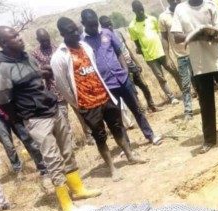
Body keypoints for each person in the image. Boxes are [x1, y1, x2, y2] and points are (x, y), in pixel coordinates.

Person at [0, 26, 101, 211]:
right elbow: (4, 101)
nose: (20, 38)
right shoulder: (2, 69)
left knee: (67, 150)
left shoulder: (27, 57)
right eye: (14, 37)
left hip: (52, 109)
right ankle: (66, 202)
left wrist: (45, 73)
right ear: (4, 43)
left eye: (18, 34)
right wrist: (21, 119)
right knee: (52, 158)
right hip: (35, 118)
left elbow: (36, 79)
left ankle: (78, 188)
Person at [51, 17, 147, 182]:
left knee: (118, 127)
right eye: (70, 31)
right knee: (100, 136)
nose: (76, 33)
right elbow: (63, 86)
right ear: (62, 34)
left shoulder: (85, 47)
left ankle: (130, 156)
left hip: (104, 96)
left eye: (76, 29)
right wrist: (78, 103)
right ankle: (112, 168)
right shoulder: (59, 57)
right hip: (87, 104)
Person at [171, 0, 218, 153]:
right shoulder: (180, 9)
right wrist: (195, 36)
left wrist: (208, 35)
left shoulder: (211, 6)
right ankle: (209, 139)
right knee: (206, 103)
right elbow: (177, 36)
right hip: (198, 63)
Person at [81, 9, 162, 146]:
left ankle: (150, 135)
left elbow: (119, 52)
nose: (94, 27)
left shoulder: (107, 33)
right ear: (83, 24)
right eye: (91, 25)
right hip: (107, 86)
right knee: (117, 118)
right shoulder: (83, 43)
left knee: (137, 109)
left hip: (122, 79)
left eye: (95, 24)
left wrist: (125, 70)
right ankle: (127, 146)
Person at [31, 28, 94, 146]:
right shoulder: (35, 53)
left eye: (47, 39)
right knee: (64, 120)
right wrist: (54, 67)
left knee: (81, 112)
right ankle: (70, 144)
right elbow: (40, 72)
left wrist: (50, 68)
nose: (46, 42)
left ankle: (90, 136)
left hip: (69, 86)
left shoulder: (57, 48)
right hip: (54, 91)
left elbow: (67, 64)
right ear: (38, 40)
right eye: (43, 40)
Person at [98, 16, 160, 113]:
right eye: (107, 24)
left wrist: (137, 62)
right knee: (133, 91)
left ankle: (151, 105)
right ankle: (141, 110)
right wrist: (123, 68)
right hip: (123, 68)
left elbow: (127, 48)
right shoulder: (103, 38)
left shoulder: (118, 33)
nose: (110, 25)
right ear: (102, 26)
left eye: (110, 23)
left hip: (131, 64)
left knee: (144, 86)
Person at [129, 0, 181, 105]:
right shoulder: (132, 26)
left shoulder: (152, 19)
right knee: (161, 78)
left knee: (175, 72)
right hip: (150, 58)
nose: (140, 12)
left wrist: (166, 52)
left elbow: (161, 35)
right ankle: (171, 98)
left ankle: (185, 91)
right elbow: (137, 44)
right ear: (133, 11)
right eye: (138, 10)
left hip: (162, 53)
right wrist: (144, 54)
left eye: (141, 9)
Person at [159, 0, 194, 120]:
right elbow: (164, 38)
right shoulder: (163, 17)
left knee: (200, 80)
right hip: (181, 56)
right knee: (185, 84)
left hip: (195, 52)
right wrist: (167, 56)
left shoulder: (187, 9)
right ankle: (188, 111)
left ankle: (206, 105)